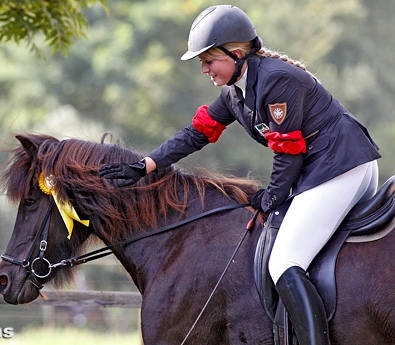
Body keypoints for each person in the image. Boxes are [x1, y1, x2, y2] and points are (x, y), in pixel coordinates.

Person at [98, 4, 380, 345]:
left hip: (341, 169)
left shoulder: (277, 80)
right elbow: (195, 134)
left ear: (234, 54)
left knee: (285, 262)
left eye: (208, 60)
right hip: (326, 170)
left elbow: (289, 151)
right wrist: (145, 165)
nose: (204, 69)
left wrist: (273, 194)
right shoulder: (234, 93)